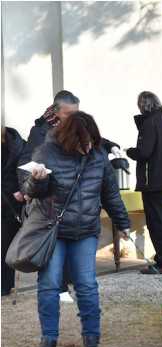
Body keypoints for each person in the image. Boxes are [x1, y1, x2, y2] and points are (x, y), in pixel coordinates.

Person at [22, 111, 131, 347]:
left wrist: (122, 222)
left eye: (92, 141)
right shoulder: (45, 153)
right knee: (49, 284)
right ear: (70, 139)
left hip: (85, 230)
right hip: (54, 230)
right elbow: (29, 191)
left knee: (86, 284)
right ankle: (48, 338)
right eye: (84, 143)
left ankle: (91, 335)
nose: (89, 147)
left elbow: (110, 193)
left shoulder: (98, 155)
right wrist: (37, 181)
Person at [18, 90, 123, 303]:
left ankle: (69, 292)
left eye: (77, 112)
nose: (74, 117)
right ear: (56, 113)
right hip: (53, 207)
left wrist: (111, 146)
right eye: (69, 113)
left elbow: (94, 141)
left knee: (83, 275)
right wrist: (28, 186)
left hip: (80, 208)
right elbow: (27, 160)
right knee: (51, 257)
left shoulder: (84, 134)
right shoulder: (40, 132)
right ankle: (59, 288)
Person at [127, 91, 162, 275]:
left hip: (154, 181)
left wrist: (129, 151)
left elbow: (144, 152)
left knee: (156, 222)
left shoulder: (149, 123)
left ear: (143, 106)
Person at [1, 125, 25, 297]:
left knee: (5, 245)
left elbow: (26, 170)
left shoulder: (19, 144)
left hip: (10, 203)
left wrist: (22, 189)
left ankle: (3, 286)